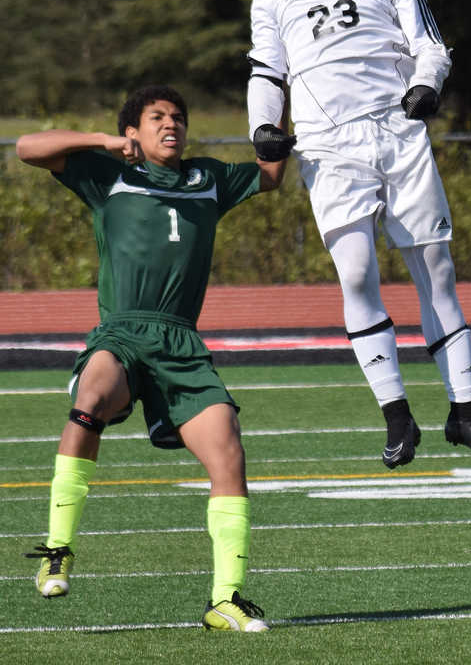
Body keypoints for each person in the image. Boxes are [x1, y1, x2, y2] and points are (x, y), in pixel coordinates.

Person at [17, 84, 290, 633]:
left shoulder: (210, 178)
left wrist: (283, 98)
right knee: (92, 393)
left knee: (228, 451)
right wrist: (102, 141)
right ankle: (58, 547)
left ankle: (225, 600)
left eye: (179, 117)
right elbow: (26, 146)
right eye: (157, 117)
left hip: (182, 343)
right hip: (120, 333)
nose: (172, 124)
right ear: (134, 131)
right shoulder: (106, 174)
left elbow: (271, 171)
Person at [246, 0, 471, 469]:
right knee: (355, 275)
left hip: (397, 134)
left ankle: (465, 410)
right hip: (329, 147)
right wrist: (263, 127)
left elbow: (429, 43)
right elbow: (267, 71)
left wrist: (427, 85)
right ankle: (397, 414)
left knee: (435, 268)